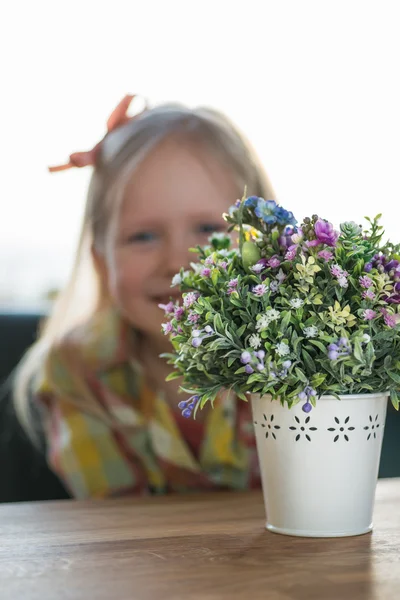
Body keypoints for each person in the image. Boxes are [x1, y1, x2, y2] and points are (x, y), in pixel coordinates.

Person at [13, 94, 275, 499]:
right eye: (143, 236)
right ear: (101, 260)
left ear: (260, 240)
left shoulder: (292, 357)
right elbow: (119, 525)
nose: (176, 261)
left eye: (208, 228)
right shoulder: (77, 372)